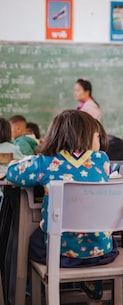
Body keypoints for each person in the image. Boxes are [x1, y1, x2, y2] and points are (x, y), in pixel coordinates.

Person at [6, 110, 113, 304]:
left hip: (61, 253)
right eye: (98, 135)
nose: (100, 140)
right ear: (86, 136)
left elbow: (13, 174)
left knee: (34, 241)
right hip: (101, 251)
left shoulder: (47, 163)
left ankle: (32, 288)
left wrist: (21, 161)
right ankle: (90, 277)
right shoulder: (102, 160)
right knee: (93, 233)